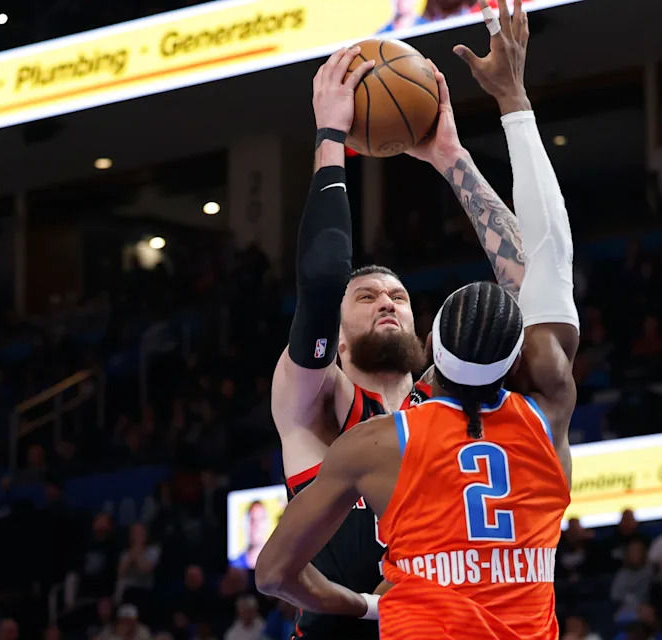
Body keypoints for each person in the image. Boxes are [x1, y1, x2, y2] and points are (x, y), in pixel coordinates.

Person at [257, 4, 580, 638]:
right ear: (338, 338)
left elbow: (526, 293)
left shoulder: (451, 405)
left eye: (399, 297)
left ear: (427, 331)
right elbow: (322, 285)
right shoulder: (318, 400)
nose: (387, 302)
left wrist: (451, 157)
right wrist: (329, 139)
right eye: (369, 296)